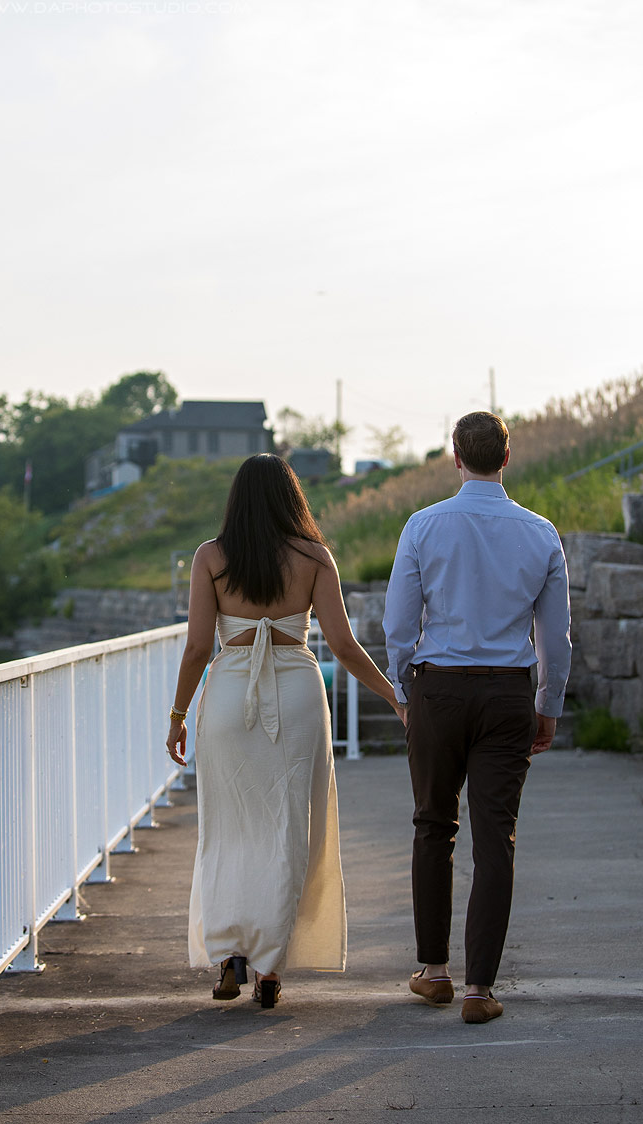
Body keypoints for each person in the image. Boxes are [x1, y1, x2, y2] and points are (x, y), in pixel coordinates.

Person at [166, 453, 399, 1007]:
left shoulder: (210, 557)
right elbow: (341, 645)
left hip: (229, 697)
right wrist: (394, 694)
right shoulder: (314, 557)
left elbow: (199, 646)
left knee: (227, 830)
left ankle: (229, 957)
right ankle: (271, 969)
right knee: (289, 828)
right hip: (295, 692)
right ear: (291, 497)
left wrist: (177, 716)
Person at [383, 411, 571, 1024]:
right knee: (496, 840)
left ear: (455, 456)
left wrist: (408, 690)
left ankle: (434, 972)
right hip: (508, 696)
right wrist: (547, 706)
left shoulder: (423, 526)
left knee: (433, 824)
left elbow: (397, 625)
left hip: (438, 689)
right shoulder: (541, 534)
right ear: (507, 458)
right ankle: (480, 990)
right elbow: (556, 639)